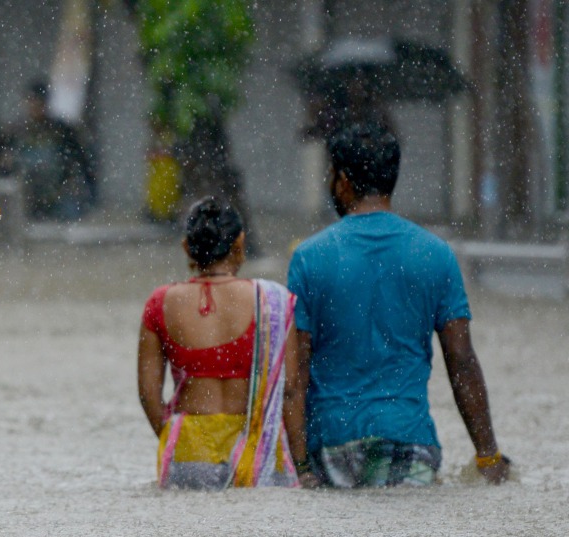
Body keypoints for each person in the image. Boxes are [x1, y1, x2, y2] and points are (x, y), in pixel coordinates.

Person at [288, 122, 510, 487]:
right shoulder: (436, 255)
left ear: (342, 181)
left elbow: (295, 377)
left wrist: (301, 469)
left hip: (331, 446)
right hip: (409, 441)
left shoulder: (309, 258)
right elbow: (462, 362)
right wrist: (488, 456)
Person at [137, 198, 305, 490]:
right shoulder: (273, 302)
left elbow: (148, 394)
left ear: (187, 247)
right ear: (239, 242)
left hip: (189, 448)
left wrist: (172, 436)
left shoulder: (161, 303)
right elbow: (290, 390)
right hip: (257, 448)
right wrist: (301, 464)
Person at [2, 80, 97, 221]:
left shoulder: (61, 130)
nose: (35, 107)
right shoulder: (16, 132)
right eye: (32, 102)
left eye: (39, 103)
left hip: (58, 196)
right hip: (27, 198)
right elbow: (3, 164)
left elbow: (81, 161)